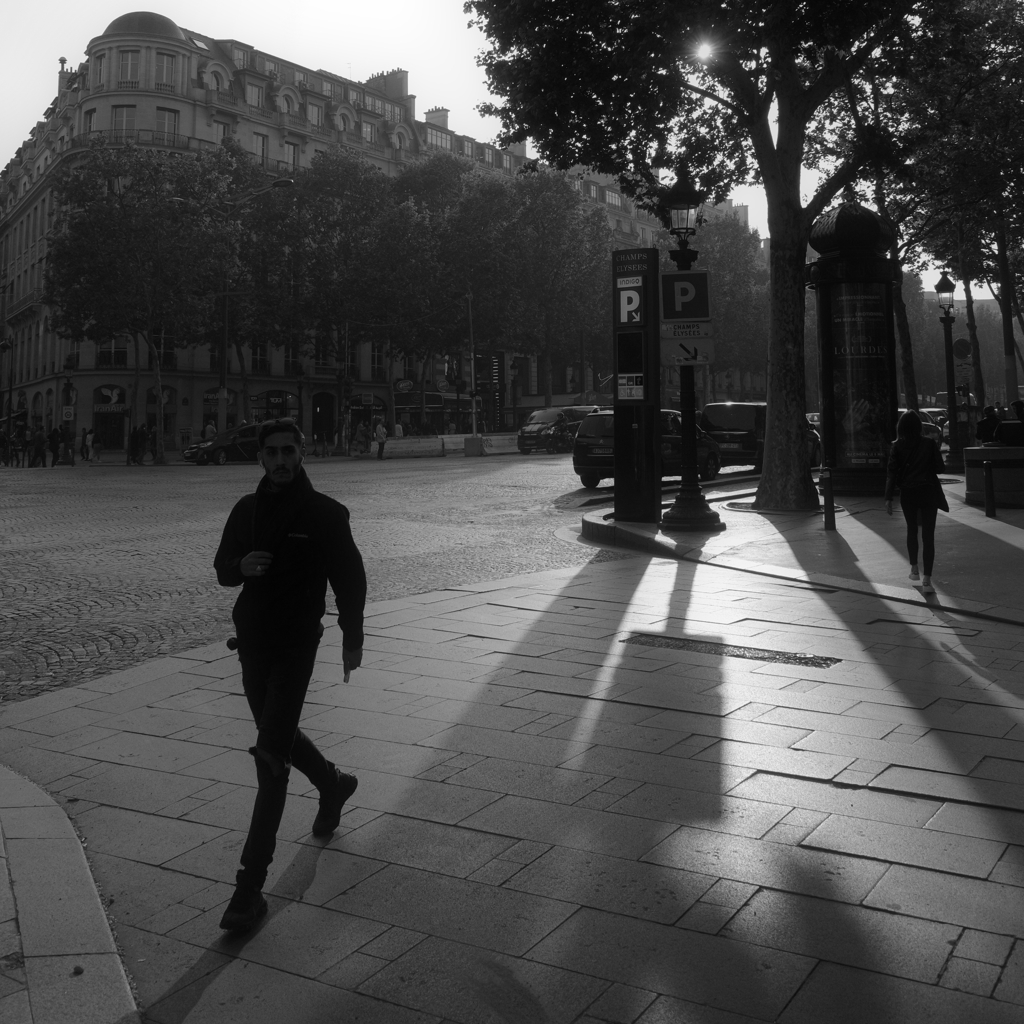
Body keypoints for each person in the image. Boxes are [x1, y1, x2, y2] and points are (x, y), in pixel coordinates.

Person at [213, 418, 365, 932]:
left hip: (298, 645)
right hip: (252, 643)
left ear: (303, 454)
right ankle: (333, 782)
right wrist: (241, 567)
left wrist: (352, 638)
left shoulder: (325, 514)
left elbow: (350, 578)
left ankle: (247, 889)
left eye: (289, 451)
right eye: (272, 452)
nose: (280, 460)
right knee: (275, 736)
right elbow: (221, 568)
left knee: (270, 758)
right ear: (260, 457)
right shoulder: (246, 510)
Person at [885, 410, 947, 595]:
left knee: (912, 529)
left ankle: (914, 568)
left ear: (901, 427)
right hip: (928, 491)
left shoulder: (896, 447)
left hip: (908, 493)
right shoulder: (928, 444)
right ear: (919, 426)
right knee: (929, 535)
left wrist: (888, 497)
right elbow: (940, 468)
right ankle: (927, 579)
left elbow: (892, 473)